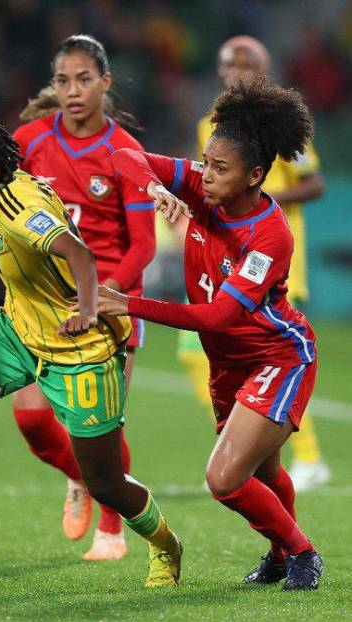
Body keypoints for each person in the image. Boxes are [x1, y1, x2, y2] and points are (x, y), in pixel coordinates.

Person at [0, 117, 182, 587]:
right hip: (17, 332)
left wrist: (87, 311)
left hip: (78, 347)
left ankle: (166, 544)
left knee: (105, 483)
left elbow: (79, 254)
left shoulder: (20, 207)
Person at [94, 77, 323, 590]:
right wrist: (154, 186)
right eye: (205, 162)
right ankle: (281, 557)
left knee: (224, 479)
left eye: (220, 168)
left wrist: (129, 304)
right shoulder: (200, 184)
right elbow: (123, 155)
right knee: (264, 472)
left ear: (255, 176)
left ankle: (303, 553)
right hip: (226, 364)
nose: (206, 175)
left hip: (276, 357)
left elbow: (219, 316)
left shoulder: (269, 235)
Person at [0, 34, 156, 561]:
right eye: (63, 81)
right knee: (34, 422)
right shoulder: (29, 141)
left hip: (109, 301)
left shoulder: (126, 153)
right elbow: (1, 214)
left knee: (101, 427)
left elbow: (143, 245)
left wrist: (102, 296)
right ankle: (81, 477)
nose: (73, 90)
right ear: (53, 86)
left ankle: (112, 530)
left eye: (84, 79)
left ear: (105, 82)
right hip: (42, 301)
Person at [177, 35, 329, 492]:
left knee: (276, 357)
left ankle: (305, 457)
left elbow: (314, 183)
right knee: (196, 353)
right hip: (221, 260)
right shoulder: (209, 127)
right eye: (230, 65)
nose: (237, 73)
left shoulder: (279, 128)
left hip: (270, 258)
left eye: (247, 65)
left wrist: (261, 198)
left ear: (263, 72)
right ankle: (246, 447)